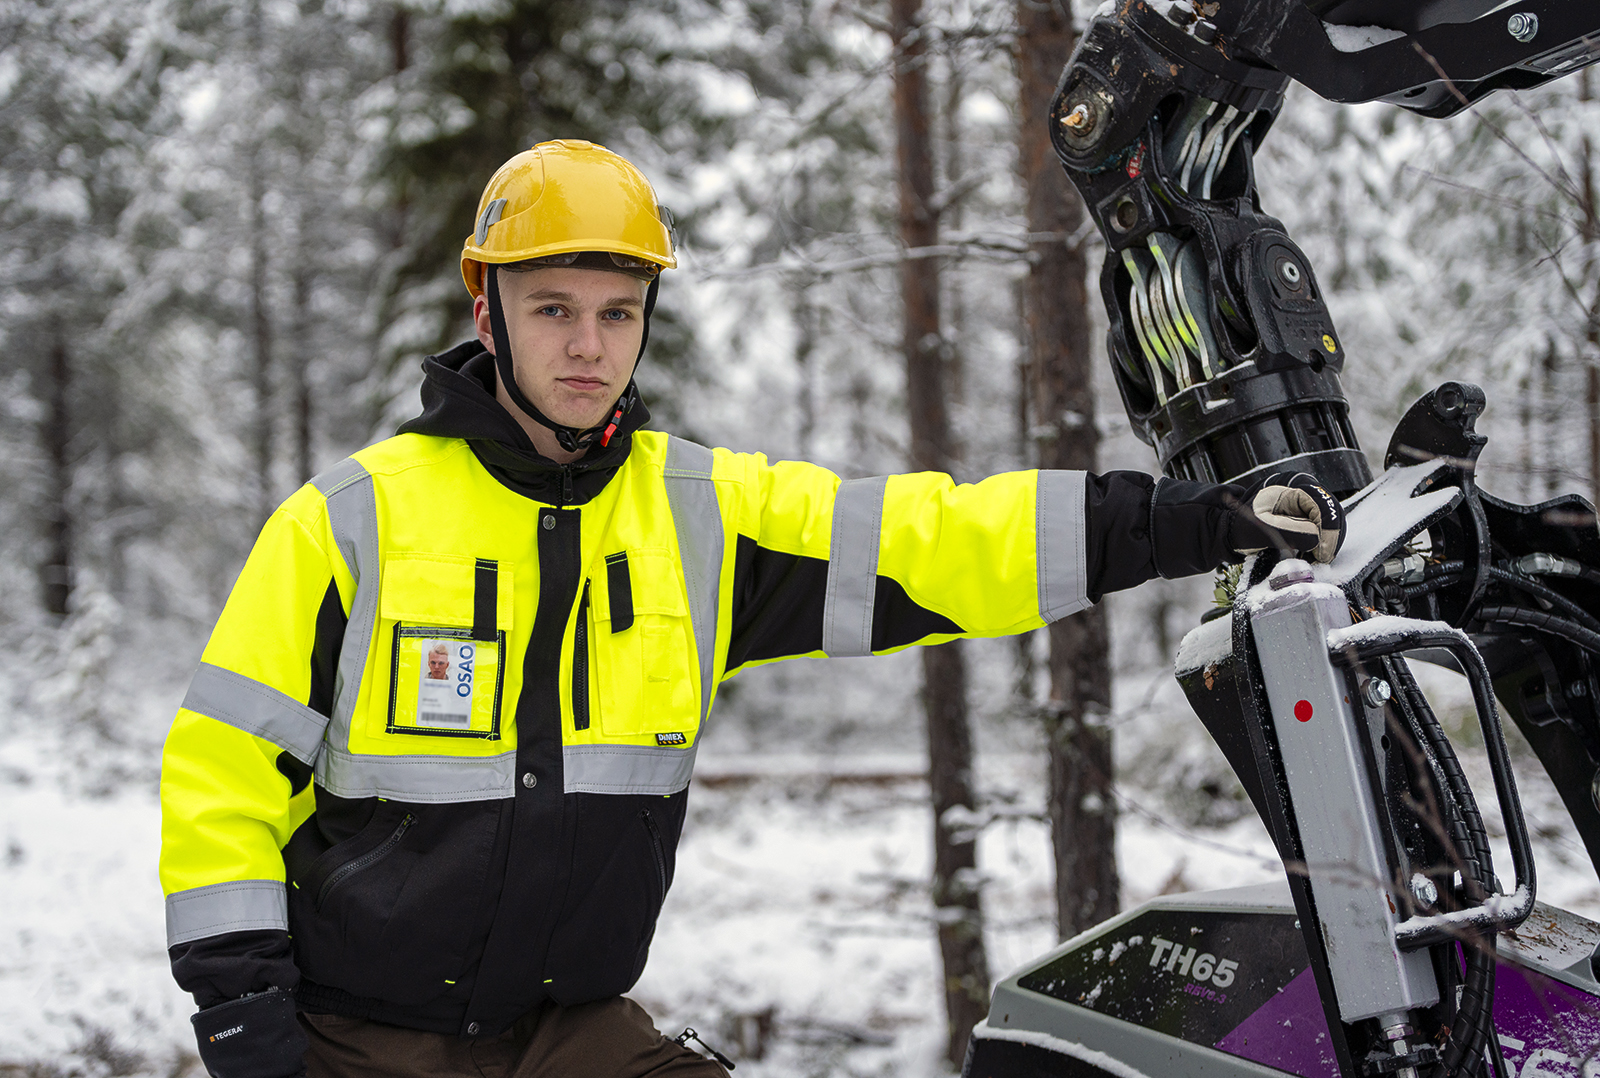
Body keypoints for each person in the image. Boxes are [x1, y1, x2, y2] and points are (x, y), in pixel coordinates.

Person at [158, 139, 1345, 1078]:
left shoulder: (701, 515)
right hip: (364, 1039)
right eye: (553, 308)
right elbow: (222, 776)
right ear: (489, 314)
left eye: (615, 311)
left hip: (571, 1032)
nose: (586, 344)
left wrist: (1187, 519)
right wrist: (245, 1017)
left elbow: (940, 538)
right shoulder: (351, 518)